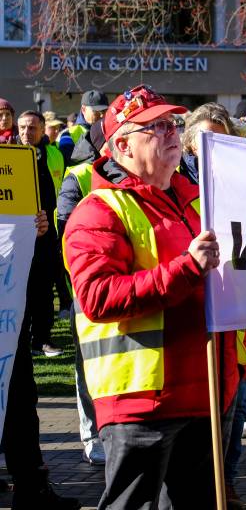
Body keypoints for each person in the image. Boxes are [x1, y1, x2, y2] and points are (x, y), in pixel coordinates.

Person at [63, 84, 246, 508]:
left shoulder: (195, 200)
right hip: (143, 401)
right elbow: (97, 296)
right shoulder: (98, 211)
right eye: (157, 126)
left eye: (173, 123)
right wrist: (186, 267)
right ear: (124, 145)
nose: (173, 132)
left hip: (208, 390)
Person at [1, 209, 80, 509]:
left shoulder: (21, 164)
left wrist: (31, 231)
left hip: (10, 307)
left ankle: (31, 487)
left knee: (20, 394)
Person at [56, 119, 108, 467]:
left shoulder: (149, 175)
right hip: (89, 289)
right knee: (86, 364)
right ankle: (92, 436)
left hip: (134, 288)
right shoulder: (80, 177)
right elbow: (67, 230)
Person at [16, 110, 65, 357]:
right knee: (18, 288)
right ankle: (18, 338)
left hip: (47, 232)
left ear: (43, 129)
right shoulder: (7, 154)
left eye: (32, 127)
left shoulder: (55, 154)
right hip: (16, 234)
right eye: (23, 127)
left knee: (44, 288)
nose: (26, 132)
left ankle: (42, 339)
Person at [180, 102, 234, 185]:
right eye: (207, 138)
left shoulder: (236, 173)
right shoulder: (174, 174)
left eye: (221, 141)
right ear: (190, 141)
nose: (214, 146)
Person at [58, 89, 108, 165]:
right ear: (83, 109)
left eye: (104, 111)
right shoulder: (68, 135)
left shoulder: (110, 130)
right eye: (96, 111)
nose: (101, 115)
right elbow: (67, 163)